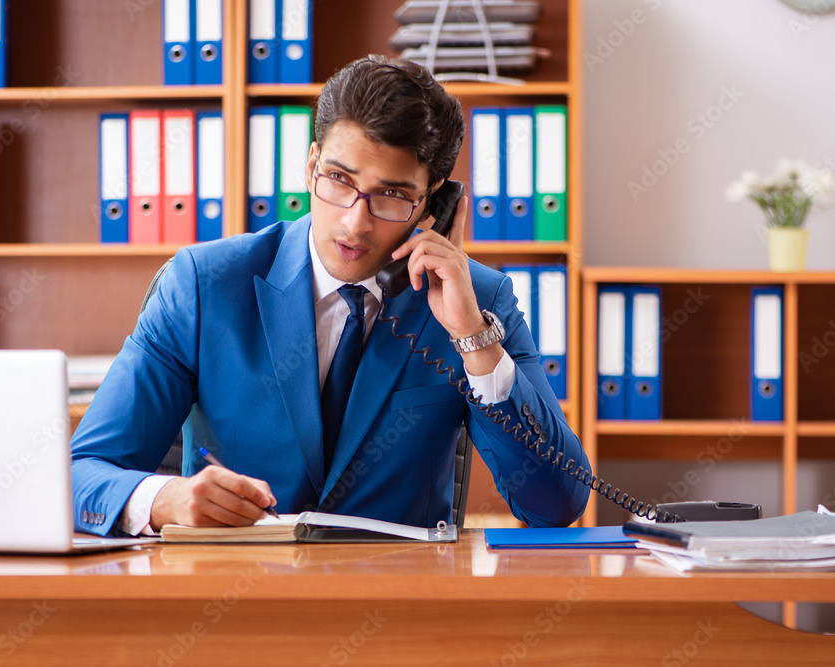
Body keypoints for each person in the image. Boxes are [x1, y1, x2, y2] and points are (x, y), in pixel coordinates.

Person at [71, 55, 590, 536]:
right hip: (229, 609)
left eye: (392, 195)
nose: (354, 222)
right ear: (311, 165)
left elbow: (555, 504)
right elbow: (80, 475)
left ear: (436, 203)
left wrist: (472, 338)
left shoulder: (478, 302)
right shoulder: (205, 285)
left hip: (397, 612)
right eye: (339, 180)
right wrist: (163, 498)